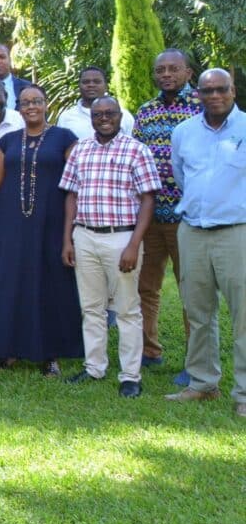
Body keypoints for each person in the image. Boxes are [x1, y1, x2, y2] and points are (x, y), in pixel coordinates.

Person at [59, 96, 159, 397]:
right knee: (91, 307)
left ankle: (130, 375)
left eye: (110, 113)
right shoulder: (81, 150)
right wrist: (68, 238)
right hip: (85, 235)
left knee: (127, 309)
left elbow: (148, 200)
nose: (104, 118)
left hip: (121, 237)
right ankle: (95, 367)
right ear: (91, 118)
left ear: (120, 116)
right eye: (98, 114)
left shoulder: (137, 150)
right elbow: (71, 196)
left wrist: (134, 244)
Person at [0, 85, 82, 375]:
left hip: (51, 224)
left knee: (48, 282)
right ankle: (7, 348)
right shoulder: (7, 141)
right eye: (25, 103)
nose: (31, 106)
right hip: (10, 223)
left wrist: (70, 231)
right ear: (18, 108)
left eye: (37, 101)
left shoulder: (65, 138)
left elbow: (74, 187)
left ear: (46, 104)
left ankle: (49, 354)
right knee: (9, 283)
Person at [165, 68, 246, 417]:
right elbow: (181, 175)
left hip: (237, 232)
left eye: (221, 89)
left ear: (233, 91)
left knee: (243, 316)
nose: (214, 96)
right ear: (196, 94)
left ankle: (244, 393)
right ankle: (202, 384)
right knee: (198, 312)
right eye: (207, 90)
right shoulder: (183, 132)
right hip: (193, 232)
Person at [132, 49, 201, 379]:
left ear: (188, 73)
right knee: (146, 287)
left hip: (188, 217)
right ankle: (149, 350)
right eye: (161, 69)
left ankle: (195, 362)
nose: (166, 74)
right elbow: (135, 157)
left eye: (174, 69)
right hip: (150, 216)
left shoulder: (203, 108)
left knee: (192, 291)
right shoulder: (146, 112)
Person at [57, 66, 135, 139]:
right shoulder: (66, 117)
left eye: (97, 82)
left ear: (106, 86)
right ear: (79, 86)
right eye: (86, 82)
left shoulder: (124, 116)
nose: (91, 85)